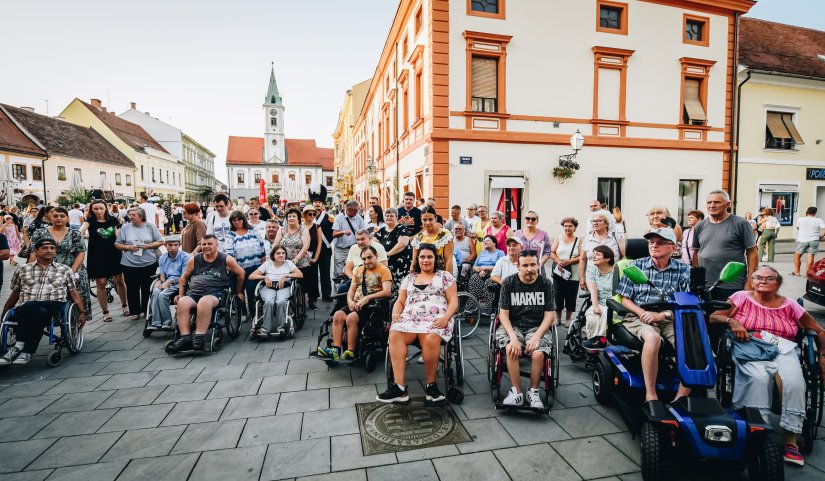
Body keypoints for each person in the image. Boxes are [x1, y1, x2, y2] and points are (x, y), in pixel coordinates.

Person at [710, 265, 825, 466]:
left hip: (784, 349)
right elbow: (713, 317)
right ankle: (758, 430)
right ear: (752, 282)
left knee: (794, 381)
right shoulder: (740, 297)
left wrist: (823, 356)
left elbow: (818, 330)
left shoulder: (790, 305)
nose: (763, 281)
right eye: (758, 277)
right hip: (749, 347)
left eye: (769, 278)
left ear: (778, 283)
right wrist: (732, 321)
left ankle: (791, 441)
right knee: (758, 378)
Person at [617, 228, 691, 402]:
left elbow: (686, 300)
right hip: (638, 317)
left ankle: (681, 398)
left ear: (672, 247)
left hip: (671, 316)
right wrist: (642, 312)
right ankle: (651, 395)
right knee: (653, 338)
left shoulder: (684, 270)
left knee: (690, 341)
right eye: (651, 242)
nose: (654, 245)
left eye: (660, 242)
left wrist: (662, 315)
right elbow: (624, 300)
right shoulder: (635, 267)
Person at [379, 244, 459, 404]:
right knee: (394, 333)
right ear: (418, 259)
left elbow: (453, 301)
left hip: (436, 319)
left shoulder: (445, 276)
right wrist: (395, 313)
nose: (426, 260)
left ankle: (431, 386)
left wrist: (447, 317)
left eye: (430, 256)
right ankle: (399, 389)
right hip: (409, 318)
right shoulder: (409, 278)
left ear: (436, 259)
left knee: (431, 338)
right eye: (422, 257)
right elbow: (400, 300)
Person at [0, 238, 87, 365]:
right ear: (36, 251)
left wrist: (82, 312)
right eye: (45, 248)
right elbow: (16, 293)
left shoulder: (64, 269)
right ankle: (28, 351)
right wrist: (5, 311)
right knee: (38, 311)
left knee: (31, 305)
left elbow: (73, 292)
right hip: (30, 308)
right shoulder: (23, 269)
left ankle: (18, 346)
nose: (49, 251)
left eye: (52, 248)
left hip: (54, 305)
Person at [496, 250, 557, 409]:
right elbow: (503, 315)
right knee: (511, 349)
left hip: (537, 326)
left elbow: (550, 316)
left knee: (538, 354)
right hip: (513, 325)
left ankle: (534, 392)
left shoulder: (546, 284)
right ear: (518, 266)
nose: (529, 269)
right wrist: (513, 338)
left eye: (533, 265)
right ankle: (516, 392)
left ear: (538, 265)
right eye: (525, 265)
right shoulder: (509, 283)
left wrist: (537, 336)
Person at [168, 235, 246, 353]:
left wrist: (238, 291)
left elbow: (241, 273)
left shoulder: (225, 259)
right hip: (194, 292)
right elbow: (183, 278)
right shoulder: (194, 259)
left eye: (209, 244)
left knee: (204, 302)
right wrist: (181, 294)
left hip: (216, 292)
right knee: (182, 302)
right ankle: (185, 338)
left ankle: (199, 338)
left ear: (216, 245)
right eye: (204, 244)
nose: (206, 246)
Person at [318, 245, 392, 361]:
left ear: (376, 256)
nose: (366, 261)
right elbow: (351, 290)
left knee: (351, 318)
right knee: (338, 315)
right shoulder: (359, 270)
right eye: (364, 259)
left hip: (373, 305)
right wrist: (350, 301)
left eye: (369, 257)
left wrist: (368, 298)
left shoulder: (383, 270)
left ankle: (351, 351)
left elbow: (387, 292)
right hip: (356, 302)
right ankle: (336, 350)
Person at [691, 190, 758, 300]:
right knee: (705, 316)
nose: (712, 206)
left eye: (717, 202)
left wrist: (750, 281)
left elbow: (752, 253)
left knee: (727, 315)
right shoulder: (700, 225)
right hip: (705, 285)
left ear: (728, 204)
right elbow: (695, 253)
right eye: (709, 202)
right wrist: (697, 281)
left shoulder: (740, 224)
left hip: (732, 284)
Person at [29, 207, 92, 319]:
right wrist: (30, 269)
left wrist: (71, 271)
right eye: (55, 216)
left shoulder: (75, 234)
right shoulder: (40, 233)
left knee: (77, 294)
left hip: (73, 268)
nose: (59, 218)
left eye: (62, 216)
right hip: (46, 270)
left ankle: (76, 320)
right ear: (49, 218)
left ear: (67, 218)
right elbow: (34, 253)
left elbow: (80, 253)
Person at [80, 200, 128, 321]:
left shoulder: (112, 220)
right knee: (100, 283)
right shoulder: (90, 221)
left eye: (101, 208)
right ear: (91, 210)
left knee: (120, 280)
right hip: (97, 255)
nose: (99, 211)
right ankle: (105, 312)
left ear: (106, 208)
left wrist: (124, 247)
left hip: (113, 253)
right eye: (95, 209)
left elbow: (117, 235)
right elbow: (81, 230)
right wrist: (84, 235)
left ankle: (125, 305)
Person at [114, 207, 164, 320]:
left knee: (147, 288)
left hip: (149, 263)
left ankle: (147, 309)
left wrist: (149, 246)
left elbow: (161, 241)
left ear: (141, 216)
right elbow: (117, 244)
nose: (130, 217)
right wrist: (128, 247)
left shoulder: (150, 226)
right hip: (129, 264)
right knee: (132, 288)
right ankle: (135, 311)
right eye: (130, 214)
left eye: (134, 215)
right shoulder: (125, 227)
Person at [248, 245, 303, 338]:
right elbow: (251, 276)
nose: (281, 255)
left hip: (284, 287)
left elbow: (300, 275)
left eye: (283, 253)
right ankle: (265, 328)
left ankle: (281, 327)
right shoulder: (267, 264)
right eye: (278, 253)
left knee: (281, 302)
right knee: (269, 302)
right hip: (269, 287)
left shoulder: (288, 263)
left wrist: (285, 276)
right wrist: (264, 277)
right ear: (273, 255)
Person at [225, 211, 267, 318]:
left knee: (251, 290)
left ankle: (255, 314)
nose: (237, 222)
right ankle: (242, 312)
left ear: (244, 219)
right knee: (238, 291)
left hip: (254, 267)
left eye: (239, 219)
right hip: (238, 268)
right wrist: (234, 267)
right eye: (234, 220)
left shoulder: (253, 231)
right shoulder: (230, 234)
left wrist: (263, 263)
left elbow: (262, 247)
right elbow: (229, 252)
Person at [149, 236, 190, 328]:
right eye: (170, 245)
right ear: (165, 245)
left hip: (181, 284)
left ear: (179, 245)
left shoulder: (185, 257)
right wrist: (163, 283)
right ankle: (156, 321)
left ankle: (167, 321)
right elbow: (162, 275)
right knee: (155, 292)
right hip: (167, 282)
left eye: (176, 245)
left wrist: (170, 281)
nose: (173, 247)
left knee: (163, 295)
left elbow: (185, 277)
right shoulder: (162, 258)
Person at [579, 210, 623, 291]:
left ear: (606, 223)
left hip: (612, 278)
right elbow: (582, 259)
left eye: (599, 221)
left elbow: (624, 256)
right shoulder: (587, 239)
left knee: (612, 301)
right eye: (593, 221)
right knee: (593, 301)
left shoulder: (615, 237)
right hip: (592, 279)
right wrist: (582, 277)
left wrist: (620, 274)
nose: (595, 223)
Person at [581, 245, 616, 349]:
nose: (593, 256)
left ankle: (601, 339)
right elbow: (593, 290)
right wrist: (595, 306)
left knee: (606, 313)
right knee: (592, 317)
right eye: (593, 253)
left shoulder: (616, 271)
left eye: (598, 254)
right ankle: (593, 340)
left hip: (613, 304)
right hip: (599, 302)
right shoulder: (592, 270)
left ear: (607, 258)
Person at [552, 217, 581, 325]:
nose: (567, 228)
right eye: (565, 226)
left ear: (575, 228)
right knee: (558, 295)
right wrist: (559, 261)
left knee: (571, 296)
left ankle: (568, 319)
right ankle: (557, 318)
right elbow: (552, 252)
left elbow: (581, 256)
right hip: (560, 272)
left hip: (573, 273)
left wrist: (570, 261)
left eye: (570, 226)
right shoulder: (558, 238)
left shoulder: (579, 240)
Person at [374, 208, 412, 290]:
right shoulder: (382, 230)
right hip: (386, 265)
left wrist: (387, 254)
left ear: (396, 218)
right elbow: (373, 244)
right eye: (387, 216)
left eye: (392, 216)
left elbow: (402, 244)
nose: (389, 217)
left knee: (401, 288)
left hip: (401, 264)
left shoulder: (401, 228)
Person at [411, 207, 454, 275]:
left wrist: (447, 280)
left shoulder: (445, 235)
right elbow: (414, 261)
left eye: (430, 219)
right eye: (424, 220)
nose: (427, 223)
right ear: (421, 220)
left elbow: (448, 260)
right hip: (422, 275)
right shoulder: (418, 237)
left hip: (440, 274)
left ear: (435, 218)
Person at [310, 183, 334, 301]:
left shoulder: (329, 217)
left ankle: (327, 294)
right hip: (313, 250)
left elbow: (332, 233)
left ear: (322, 204)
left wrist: (328, 242)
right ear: (312, 204)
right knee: (313, 274)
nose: (317, 205)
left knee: (325, 274)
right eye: (315, 202)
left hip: (325, 249)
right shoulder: (308, 217)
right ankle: (314, 295)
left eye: (319, 202)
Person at [469, 235, 505, 310]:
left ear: (494, 243)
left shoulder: (500, 253)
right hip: (480, 273)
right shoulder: (482, 253)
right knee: (474, 280)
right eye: (484, 241)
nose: (485, 242)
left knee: (488, 284)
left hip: (493, 274)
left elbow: (501, 266)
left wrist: (485, 268)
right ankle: (471, 309)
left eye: (488, 240)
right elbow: (474, 266)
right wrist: (480, 271)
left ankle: (490, 309)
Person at [274, 208, 311, 279]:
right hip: (284, 263)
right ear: (287, 219)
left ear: (298, 219)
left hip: (301, 264)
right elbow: (275, 244)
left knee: (303, 287)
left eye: (294, 216)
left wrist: (297, 259)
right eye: (289, 216)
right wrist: (274, 258)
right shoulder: (282, 229)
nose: (291, 218)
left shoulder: (303, 229)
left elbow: (306, 246)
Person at [332, 200, 365, 277]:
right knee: (339, 273)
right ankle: (338, 288)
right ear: (348, 209)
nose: (356, 212)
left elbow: (363, 232)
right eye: (355, 211)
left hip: (354, 248)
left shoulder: (359, 218)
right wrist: (343, 232)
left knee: (354, 271)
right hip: (341, 250)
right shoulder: (339, 218)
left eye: (357, 210)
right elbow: (334, 234)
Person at [513, 211, 552, 276]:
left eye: (533, 219)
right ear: (524, 220)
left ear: (537, 221)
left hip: (537, 267)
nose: (530, 221)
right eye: (528, 218)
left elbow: (547, 252)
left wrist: (541, 263)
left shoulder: (543, 234)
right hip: (521, 267)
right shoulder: (517, 233)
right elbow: (513, 249)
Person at [300, 205, 321, 310]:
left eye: (314, 214)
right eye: (310, 214)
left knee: (313, 278)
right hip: (300, 255)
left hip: (312, 256)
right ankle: (301, 299)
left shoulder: (317, 227)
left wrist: (316, 258)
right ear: (304, 214)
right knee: (302, 278)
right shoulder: (300, 226)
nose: (312, 216)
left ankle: (312, 301)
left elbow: (319, 244)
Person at [793, 207, 825, 276]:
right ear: (815, 213)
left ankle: (797, 272)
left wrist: (803, 231)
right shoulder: (819, 220)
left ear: (807, 212)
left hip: (803, 240)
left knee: (797, 256)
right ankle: (808, 274)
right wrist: (821, 237)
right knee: (810, 256)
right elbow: (824, 230)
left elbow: (798, 227)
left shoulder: (800, 219)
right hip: (814, 240)